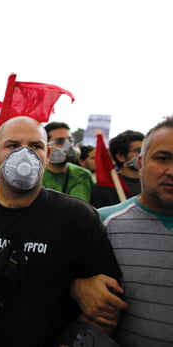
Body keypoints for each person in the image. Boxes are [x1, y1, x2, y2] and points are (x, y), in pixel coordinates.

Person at [0, 117, 121, 347]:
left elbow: (105, 308)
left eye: (36, 146)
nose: (24, 154)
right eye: (12, 146)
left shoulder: (77, 216)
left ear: (48, 154)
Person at [73, 116, 173, 346]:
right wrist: (76, 285)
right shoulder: (102, 223)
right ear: (140, 164)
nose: (171, 171)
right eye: (163, 158)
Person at [42, 122, 94, 202]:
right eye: (60, 141)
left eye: (70, 140)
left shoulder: (83, 176)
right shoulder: (36, 176)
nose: (68, 145)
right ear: (45, 145)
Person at [90, 130, 144, 208]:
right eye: (138, 151)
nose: (143, 155)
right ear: (120, 157)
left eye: (145, 150)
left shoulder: (152, 184)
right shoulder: (105, 187)